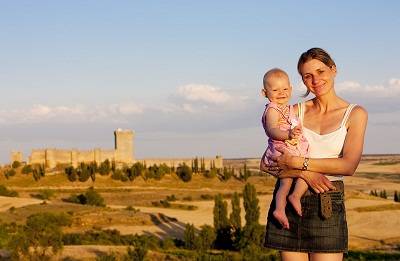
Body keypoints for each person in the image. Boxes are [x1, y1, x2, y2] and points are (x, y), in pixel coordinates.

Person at [262, 48, 368, 261]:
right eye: (307, 76)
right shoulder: (294, 111)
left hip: (327, 201)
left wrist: (297, 162)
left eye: (320, 71)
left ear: (333, 69)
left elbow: (348, 165)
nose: (315, 80)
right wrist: (307, 173)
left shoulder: (355, 114)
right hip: (288, 202)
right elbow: (268, 162)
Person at [260, 68, 310, 229]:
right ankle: (280, 209)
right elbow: (272, 130)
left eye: (285, 89)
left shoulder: (289, 109)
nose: (281, 93)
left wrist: (296, 132)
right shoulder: (272, 109)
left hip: (294, 144)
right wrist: (288, 134)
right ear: (264, 92)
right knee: (286, 181)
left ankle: (295, 196)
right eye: (275, 90)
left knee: (303, 170)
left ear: (291, 89)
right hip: (282, 146)